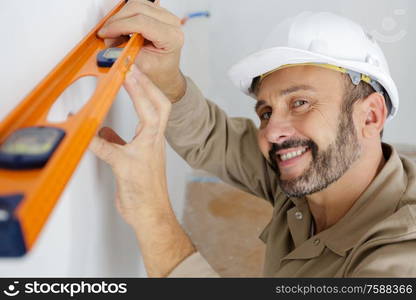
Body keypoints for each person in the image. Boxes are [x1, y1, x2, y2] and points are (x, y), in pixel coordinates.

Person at [90, 0, 416, 277]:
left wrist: (153, 216)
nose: (272, 133)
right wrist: (166, 76)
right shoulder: (316, 173)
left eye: (300, 103)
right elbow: (214, 139)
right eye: (265, 112)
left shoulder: (402, 255)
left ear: (370, 116)